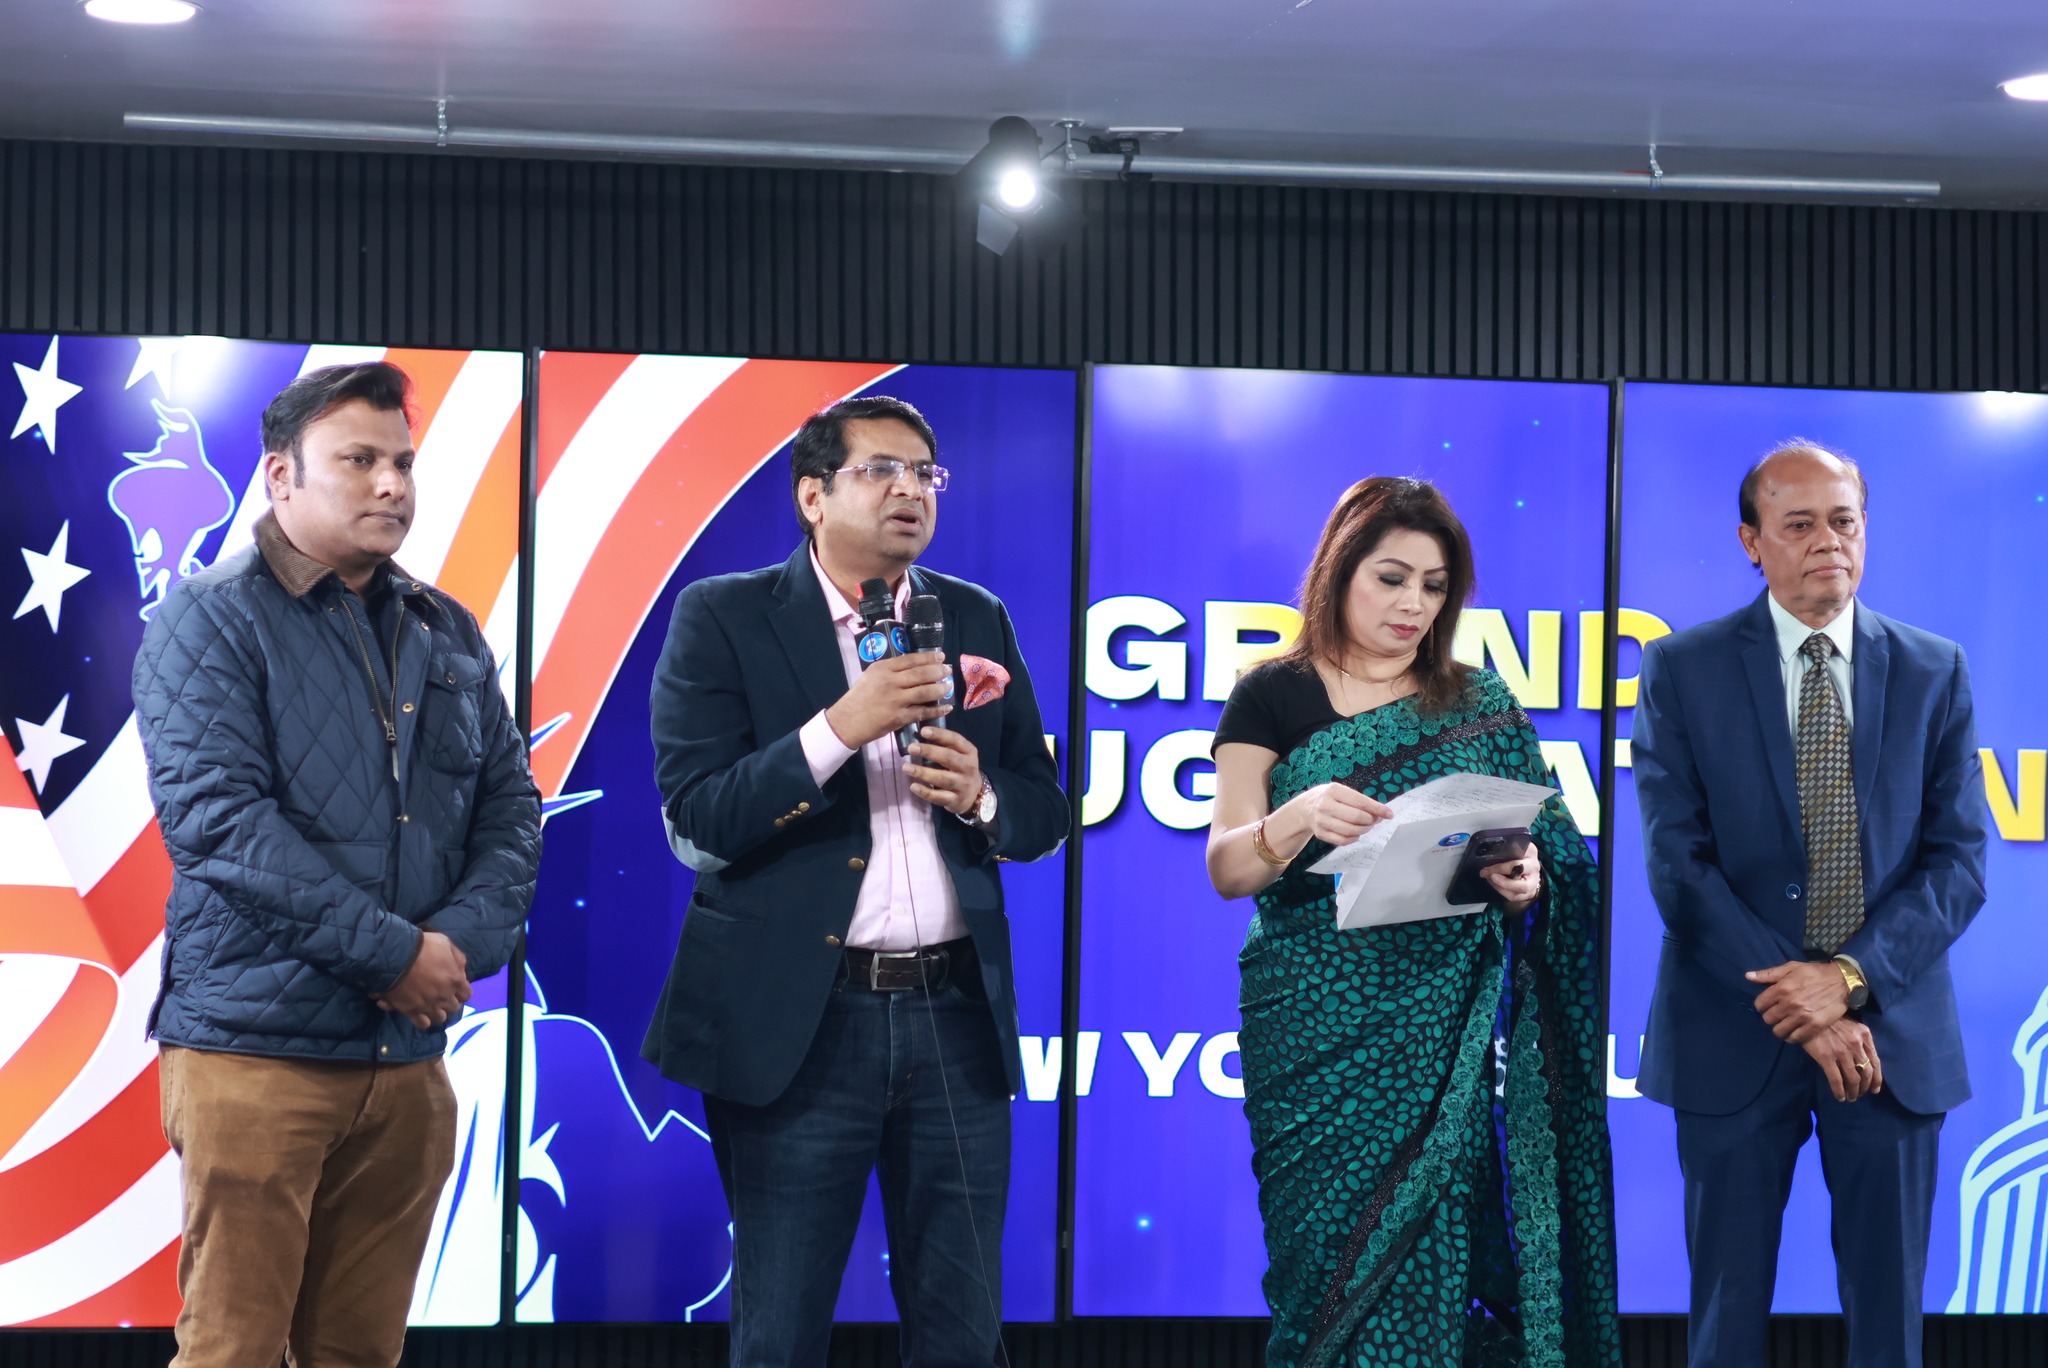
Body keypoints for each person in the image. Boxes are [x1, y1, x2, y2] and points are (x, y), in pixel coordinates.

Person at [643, 395, 1069, 1367]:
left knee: (963, 1334)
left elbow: (1043, 813)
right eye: (880, 470)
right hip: (799, 1023)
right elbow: (699, 819)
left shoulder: (973, 616)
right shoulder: (725, 614)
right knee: (781, 1332)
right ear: (812, 496)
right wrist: (842, 726)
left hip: (953, 1018)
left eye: (924, 473)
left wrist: (982, 796)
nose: (909, 490)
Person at [133, 362, 542, 1368]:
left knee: (361, 1355)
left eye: (402, 461)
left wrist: (452, 951)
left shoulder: (447, 627)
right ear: (282, 476)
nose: (392, 484)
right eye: (359, 460)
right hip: (254, 1058)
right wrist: (396, 957)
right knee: (232, 1351)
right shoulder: (210, 617)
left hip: (406, 1065)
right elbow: (219, 824)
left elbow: (510, 810)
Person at [1207, 476, 1621, 1368]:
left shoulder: (1479, 703)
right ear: (1340, 571)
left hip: (1441, 1025)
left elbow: (1548, 858)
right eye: (1391, 578)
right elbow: (1229, 868)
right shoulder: (1271, 694)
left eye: (1434, 587)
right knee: (1324, 1266)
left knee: (1434, 1253)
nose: (1413, 605)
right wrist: (1295, 817)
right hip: (1312, 1017)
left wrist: (1524, 883)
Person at [1632, 443, 1988, 1368]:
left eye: (1844, 521)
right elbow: (1678, 867)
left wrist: (1848, 979)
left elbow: (1959, 862)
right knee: (1724, 1325)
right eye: (1800, 524)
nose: (1828, 541)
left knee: (1889, 1331)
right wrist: (1804, 1000)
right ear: (1752, 542)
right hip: (1732, 1034)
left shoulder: (1935, 670)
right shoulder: (1681, 669)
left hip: (1890, 1042)